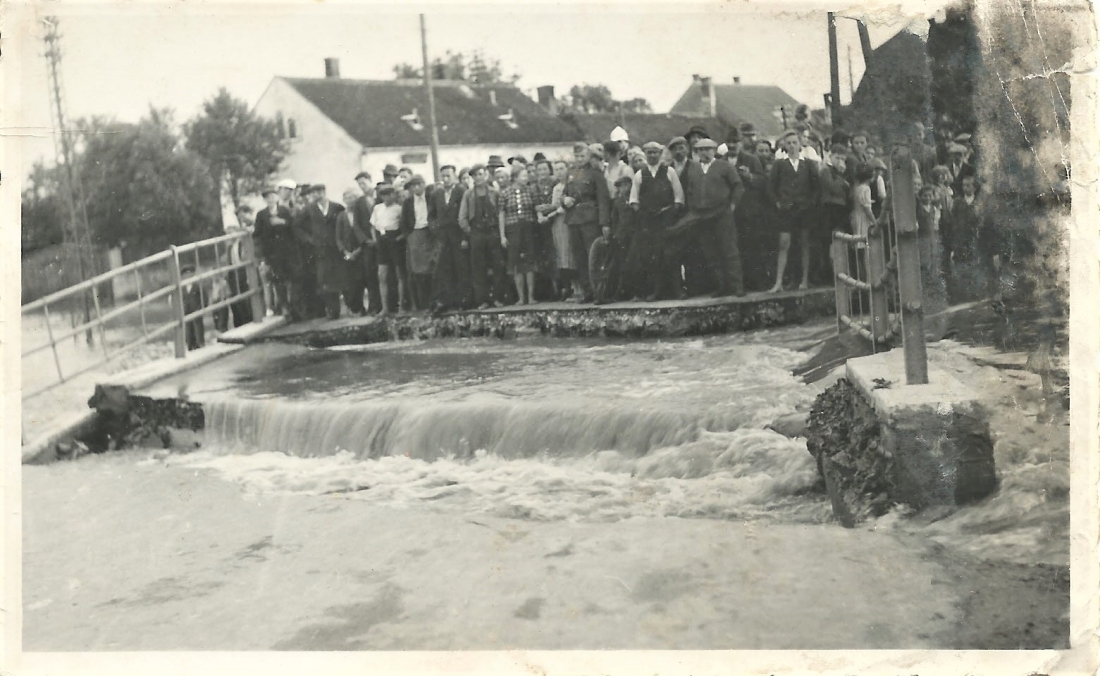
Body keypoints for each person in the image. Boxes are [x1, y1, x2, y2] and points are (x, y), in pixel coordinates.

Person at [682, 137, 745, 297]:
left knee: (729, 250)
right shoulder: (694, 169)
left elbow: (738, 186)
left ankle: (737, 286)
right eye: (701, 149)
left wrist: (732, 206)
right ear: (696, 152)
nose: (704, 152)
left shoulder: (724, 166)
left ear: (714, 150)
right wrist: (693, 209)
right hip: (702, 216)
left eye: (708, 149)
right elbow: (690, 191)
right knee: (711, 252)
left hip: (722, 214)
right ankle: (721, 286)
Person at [626, 141, 685, 301]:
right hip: (649, 222)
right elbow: (634, 200)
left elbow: (679, 197)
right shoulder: (639, 175)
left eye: (655, 152)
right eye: (649, 152)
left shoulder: (669, 171)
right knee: (653, 257)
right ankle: (656, 291)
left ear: (660, 154)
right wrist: (644, 216)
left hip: (667, 219)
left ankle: (677, 290)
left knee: (671, 255)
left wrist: (671, 215)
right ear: (645, 154)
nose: (652, 155)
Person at [767, 130, 820, 293]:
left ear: (800, 145)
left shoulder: (809, 164)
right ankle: (778, 283)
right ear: (784, 145)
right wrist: (778, 202)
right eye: (788, 143)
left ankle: (804, 280)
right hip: (786, 209)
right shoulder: (779, 164)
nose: (791, 146)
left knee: (804, 243)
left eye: (794, 142)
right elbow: (771, 187)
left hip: (804, 210)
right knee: (784, 244)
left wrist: (810, 204)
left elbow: (816, 187)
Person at [561, 142, 611, 303]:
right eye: (576, 156)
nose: (579, 159)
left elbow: (603, 199)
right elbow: (564, 194)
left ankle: (599, 292)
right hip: (573, 220)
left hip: (590, 220)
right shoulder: (570, 172)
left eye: (582, 156)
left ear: (589, 156)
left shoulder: (595, 173)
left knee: (593, 257)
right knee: (579, 257)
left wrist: (604, 222)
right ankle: (587, 290)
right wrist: (564, 200)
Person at [459, 164, 508, 308]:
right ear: (472, 178)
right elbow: (462, 217)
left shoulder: (494, 192)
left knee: (498, 265)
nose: (478, 178)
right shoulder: (468, 194)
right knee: (478, 268)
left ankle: (498, 298)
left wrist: (499, 231)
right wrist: (470, 231)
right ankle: (483, 300)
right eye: (475, 175)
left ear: (486, 175)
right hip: (477, 233)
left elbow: (500, 213)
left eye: (480, 174)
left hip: (493, 232)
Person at [301, 184, 347, 320]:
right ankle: (331, 311)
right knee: (324, 279)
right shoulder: (308, 210)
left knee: (339, 278)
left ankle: (342, 309)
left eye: (319, 192)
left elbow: (344, 223)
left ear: (324, 192)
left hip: (336, 249)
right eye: (314, 193)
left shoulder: (337, 207)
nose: (317, 195)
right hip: (319, 250)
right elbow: (297, 227)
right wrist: (309, 239)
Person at [429, 165, 469, 313]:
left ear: (454, 176)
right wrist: (435, 228)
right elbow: (431, 215)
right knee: (443, 268)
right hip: (442, 236)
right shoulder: (436, 194)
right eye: (443, 176)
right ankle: (445, 301)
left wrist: (465, 237)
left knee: (460, 267)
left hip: (458, 234)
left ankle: (462, 300)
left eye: (448, 176)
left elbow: (466, 215)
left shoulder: (461, 191)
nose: (445, 179)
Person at [499, 163, 538, 305]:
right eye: (523, 176)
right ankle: (521, 298)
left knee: (530, 262)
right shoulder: (505, 193)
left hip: (528, 228)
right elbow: (502, 214)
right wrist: (502, 235)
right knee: (516, 264)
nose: (526, 178)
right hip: (512, 230)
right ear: (515, 178)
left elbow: (536, 208)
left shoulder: (530, 191)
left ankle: (531, 296)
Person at [253, 187, 295, 316]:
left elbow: (293, 227)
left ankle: (293, 306)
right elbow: (257, 235)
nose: (270, 200)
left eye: (272, 196)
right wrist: (261, 255)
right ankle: (284, 307)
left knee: (291, 278)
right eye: (267, 198)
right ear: (265, 200)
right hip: (272, 253)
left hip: (287, 251)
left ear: (276, 198)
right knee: (278, 279)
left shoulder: (284, 211)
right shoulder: (261, 215)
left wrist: (282, 222)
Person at [370, 184, 409, 315]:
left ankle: (401, 307)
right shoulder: (377, 208)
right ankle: (385, 308)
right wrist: (375, 239)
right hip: (382, 240)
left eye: (389, 194)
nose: (387, 197)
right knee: (382, 275)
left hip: (395, 239)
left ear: (394, 194)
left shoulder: (399, 208)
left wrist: (398, 238)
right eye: (384, 194)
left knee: (399, 275)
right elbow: (373, 225)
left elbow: (405, 228)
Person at [543, 159, 578, 301]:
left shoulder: (572, 184)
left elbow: (564, 207)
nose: (559, 172)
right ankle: (568, 287)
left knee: (571, 253)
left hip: (569, 221)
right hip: (558, 224)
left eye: (562, 168)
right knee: (562, 255)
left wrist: (551, 214)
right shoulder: (556, 187)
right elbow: (554, 205)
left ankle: (578, 288)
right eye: (556, 169)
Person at [400, 175, 435, 312]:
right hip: (415, 234)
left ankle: (434, 301)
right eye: (413, 186)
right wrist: (410, 235)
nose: (416, 188)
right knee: (418, 270)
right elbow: (404, 222)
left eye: (418, 185)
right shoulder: (408, 202)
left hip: (430, 234)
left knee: (432, 267)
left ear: (424, 184)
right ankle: (423, 304)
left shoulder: (431, 197)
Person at [818, 145, 851, 284]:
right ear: (830, 156)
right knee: (830, 241)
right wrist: (841, 180)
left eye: (842, 158)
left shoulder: (841, 172)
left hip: (840, 209)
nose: (840, 161)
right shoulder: (825, 170)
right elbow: (833, 188)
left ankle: (842, 272)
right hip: (829, 208)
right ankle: (831, 274)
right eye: (837, 157)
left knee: (841, 240)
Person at [352, 172, 383, 315]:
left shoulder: (381, 196)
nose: (362, 187)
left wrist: (380, 238)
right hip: (368, 245)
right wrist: (365, 240)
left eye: (364, 183)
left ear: (370, 181)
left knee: (384, 274)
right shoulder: (359, 202)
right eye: (359, 185)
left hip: (383, 241)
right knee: (370, 276)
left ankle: (387, 304)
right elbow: (356, 225)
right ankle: (374, 305)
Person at [334, 187, 368, 316]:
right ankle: (355, 308)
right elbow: (338, 237)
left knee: (362, 280)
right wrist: (345, 252)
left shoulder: (360, 214)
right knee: (351, 283)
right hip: (347, 255)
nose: (349, 200)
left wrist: (358, 251)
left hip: (361, 252)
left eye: (352, 197)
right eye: (347, 198)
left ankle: (366, 308)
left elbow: (364, 233)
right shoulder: (341, 216)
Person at [605, 173, 636, 301]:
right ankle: (620, 292)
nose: (623, 189)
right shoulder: (617, 202)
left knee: (632, 263)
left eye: (625, 185)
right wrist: (615, 234)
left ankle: (633, 292)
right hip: (621, 236)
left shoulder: (635, 199)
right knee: (621, 264)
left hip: (634, 235)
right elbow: (614, 219)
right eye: (620, 186)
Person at [532, 159, 559, 299]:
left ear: (549, 170)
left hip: (555, 220)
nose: (542, 172)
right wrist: (540, 213)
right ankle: (548, 291)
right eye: (539, 170)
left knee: (556, 254)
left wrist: (545, 208)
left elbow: (555, 204)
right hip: (540, 223)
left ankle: (559, 288)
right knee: (544, 256)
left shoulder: (555, 183)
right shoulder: (534, 186)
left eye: (544, 169)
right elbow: (535, 205)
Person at [179, 263, 205, 350]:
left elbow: (204, 297)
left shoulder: (197, 286)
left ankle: (200, 344)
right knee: (188, 330)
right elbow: (180, 299)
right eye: (185, 275)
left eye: (190, 274)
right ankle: (190, 345)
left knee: (198, 328)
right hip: (187, 311)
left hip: (196, 310)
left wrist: (202, 307)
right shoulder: (182, 288)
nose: (187, 276)